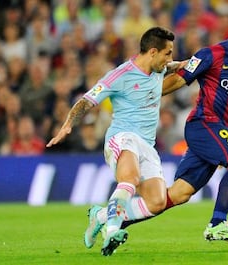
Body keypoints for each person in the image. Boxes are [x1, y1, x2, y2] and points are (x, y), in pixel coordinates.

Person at [87, 14, 228, 248]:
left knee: (177, 195)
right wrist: (147, 95)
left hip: (221, 130)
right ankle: (217, 223)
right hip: (204, 124)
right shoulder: (211, 55)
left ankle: (106, 218)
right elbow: (177, 80)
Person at [46, 26, 184, 256]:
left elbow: (171, 66)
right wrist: (68, 124)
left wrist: (184, 64)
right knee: (130, 178)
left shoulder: (159, 67)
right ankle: (111, 233)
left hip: (147, 145)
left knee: (157, 202)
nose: (170, 58)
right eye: (167, 52)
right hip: (122, 137)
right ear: (152, 52)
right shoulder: (119, 75)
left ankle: (100, 216)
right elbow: (86, 101)